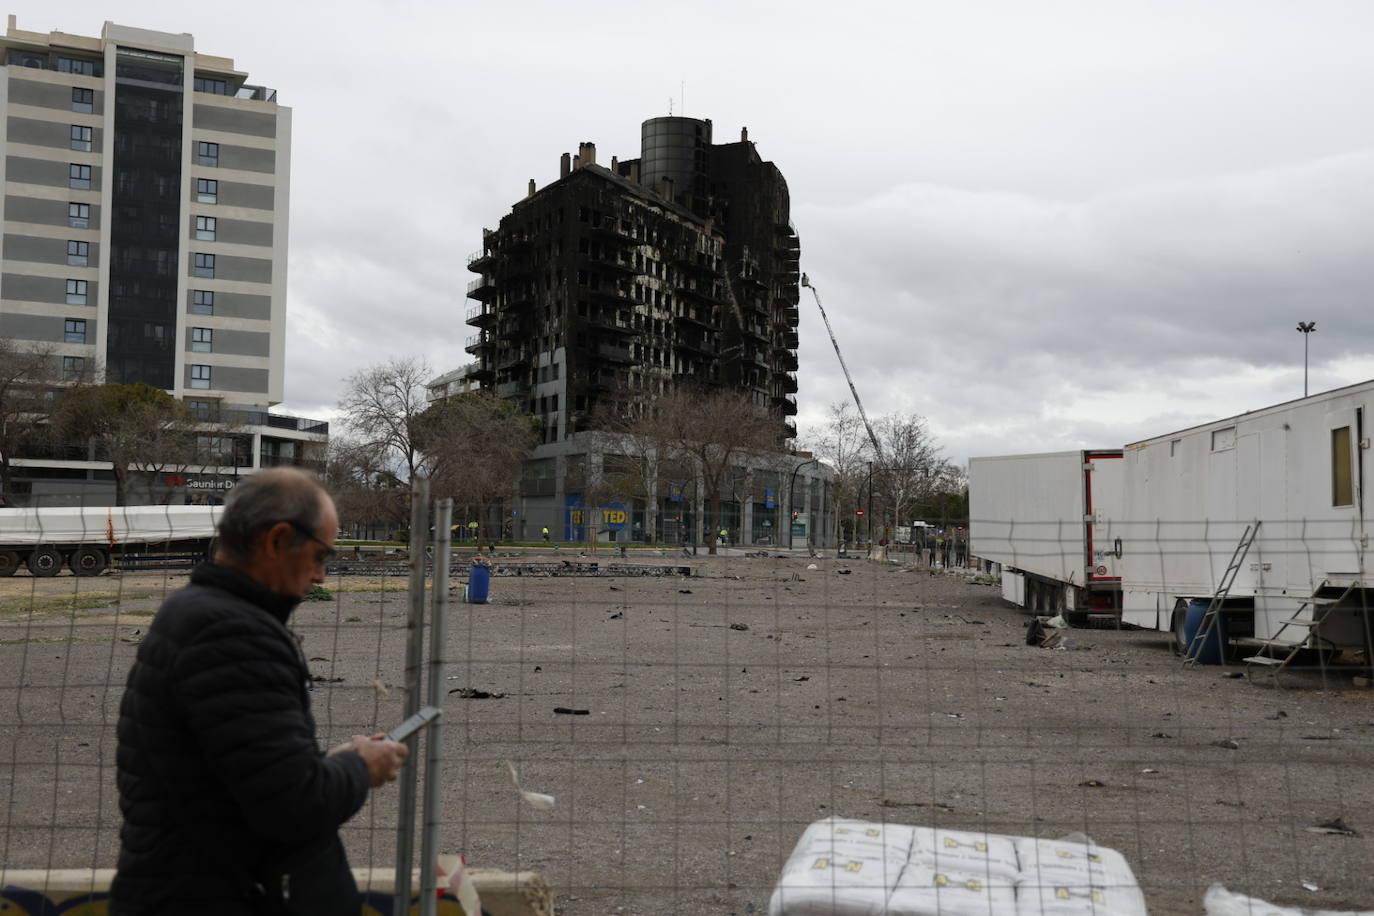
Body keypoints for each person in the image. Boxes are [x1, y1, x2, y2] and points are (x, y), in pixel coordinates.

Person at [112, 468, 408, 915]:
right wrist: (359, 767)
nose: (323, 576)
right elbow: (293, 807)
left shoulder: (199, 613)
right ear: (276, 541)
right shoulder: (231, 635)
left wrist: (318, 765)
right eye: (319, 555)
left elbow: (242, 776)